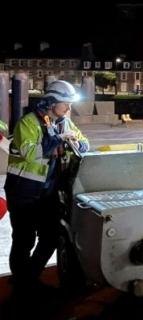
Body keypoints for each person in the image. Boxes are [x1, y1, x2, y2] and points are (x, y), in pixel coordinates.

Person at [4, 80, 89, 292]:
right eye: (65, 104)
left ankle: (28, 278)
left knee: (50, 236)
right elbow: (30, 153)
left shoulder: (64, 122)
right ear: (51, 103)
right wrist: (58, 139)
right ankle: (22, 283)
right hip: (23, 191)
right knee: (24, 240)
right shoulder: (28, 123)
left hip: (48, 192)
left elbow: (85, 142)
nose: (69, 109)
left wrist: (78, 144)